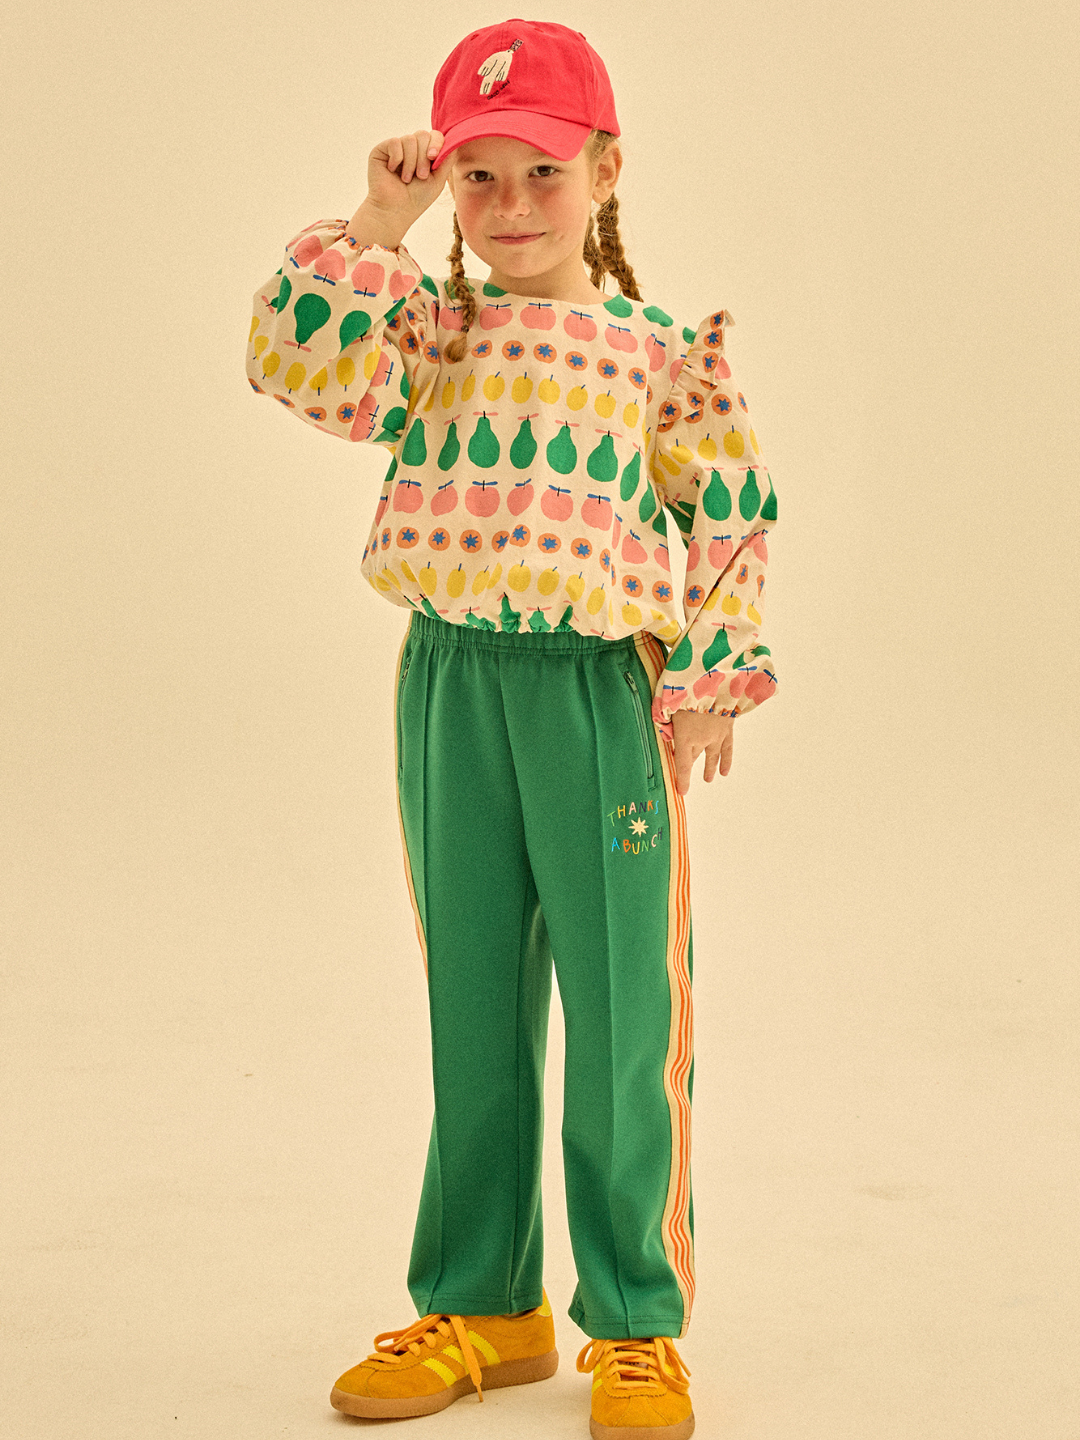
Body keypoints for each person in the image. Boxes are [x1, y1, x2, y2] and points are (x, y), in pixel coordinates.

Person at [245, 19, 778, 1438]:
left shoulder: (656, 352)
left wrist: (710, 671)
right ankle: (484, 1301)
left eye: (539, 173)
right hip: (449, 686)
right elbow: (301, 375)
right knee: (471, 1005)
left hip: (598, 696)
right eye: (477, 179)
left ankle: (637, 1321)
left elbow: (728, 507)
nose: (511, 208)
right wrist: (376, 222)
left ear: (605, 171)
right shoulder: (428, 326)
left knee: (621, 1019)